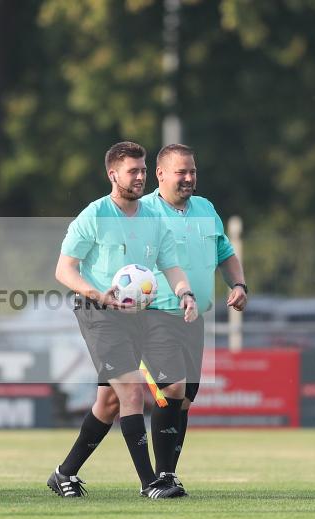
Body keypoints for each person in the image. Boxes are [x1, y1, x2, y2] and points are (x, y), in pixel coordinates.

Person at [89, 143, 249, 495]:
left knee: (180, 399)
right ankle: (159, 478)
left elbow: (225, 253)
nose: (189, 178)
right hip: (154, 316)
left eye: (193, 171)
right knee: (171, 388)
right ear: (160, 174)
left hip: (192, 317)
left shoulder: (205, 208)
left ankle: (162, 474)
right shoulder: (141, 210)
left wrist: (238, 284)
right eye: (181, 172)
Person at [48, 141, 199, 500]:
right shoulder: (94, 215)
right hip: (98, 312)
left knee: (112, 402)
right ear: (113, 174)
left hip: (137, 315)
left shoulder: (153, 219)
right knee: (132, 390)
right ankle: (151, 483)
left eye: (143, 170)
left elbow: (171, 265)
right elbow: (64, 270)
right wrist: (97, 294)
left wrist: (185, 293)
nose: (140, 177)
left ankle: (64, 473)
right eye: (133, 171)